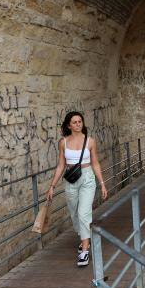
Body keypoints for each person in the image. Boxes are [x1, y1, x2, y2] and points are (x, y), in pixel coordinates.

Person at [46, 111, 107, 267]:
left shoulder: (90, 141)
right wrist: (52, 186)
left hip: (87, 178)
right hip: (71, 180)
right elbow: (61, 165)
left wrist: (102, 183)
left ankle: (85, 250)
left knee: (83, 212)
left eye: (80, 121)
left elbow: (95, 163)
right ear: (69, 125)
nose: (78, 124)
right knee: (74, 213)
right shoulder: (63, 142)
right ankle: (84, 237)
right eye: (75, 122)